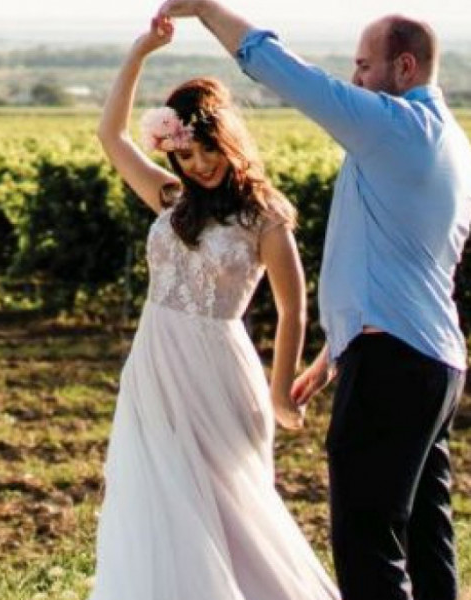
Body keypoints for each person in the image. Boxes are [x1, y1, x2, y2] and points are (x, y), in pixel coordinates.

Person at [156, 2, 471, 599]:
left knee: (368, 543)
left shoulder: (393, 127)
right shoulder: (450, 142)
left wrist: (205, 9)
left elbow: (284, 70)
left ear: (404, 67)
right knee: (428, 541)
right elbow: (407, 264)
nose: (355, 78)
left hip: (391, 364)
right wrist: (333, 353)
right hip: (434, 363)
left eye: (364, 65)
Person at [90, 14, 339, 600]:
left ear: (229, 142)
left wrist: (281, 393)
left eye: (209, 151)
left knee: (233, 508)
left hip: (217, 371)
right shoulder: (171, 198)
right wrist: (140, 51)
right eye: (186, 154)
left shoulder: (265, 215)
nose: (199, 165)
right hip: (154, 367)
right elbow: (111, 137)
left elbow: (294, 309)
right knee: (159, 499)